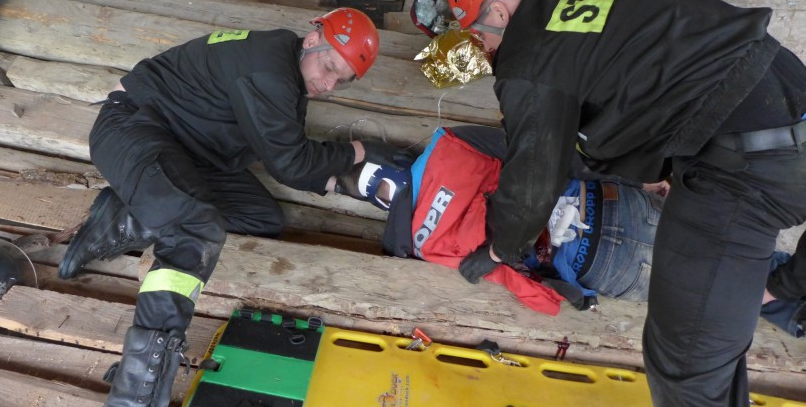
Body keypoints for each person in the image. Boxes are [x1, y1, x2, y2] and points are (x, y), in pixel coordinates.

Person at [443, 0, 806, 406]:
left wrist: (499, 249)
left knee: (686, 362)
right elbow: (639, 72)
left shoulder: (527, 57)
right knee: (728, 316)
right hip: (783, 87)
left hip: (742, 163)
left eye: (480, 36)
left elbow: (534, 181)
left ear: (496, 13)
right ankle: (786, 290)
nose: (486, 48)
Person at [58, 9, 405, 407]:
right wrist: (360, 150)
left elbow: (288, 156)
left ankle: (122, 219)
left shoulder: (286, 70)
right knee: (195, 229)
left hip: (186, 155)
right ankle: (137, 389)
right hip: (134, 129)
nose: (328, 83)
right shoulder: (269, 71)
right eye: (328, 67)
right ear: (313, 40)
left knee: (262, 217)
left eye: (339, 81)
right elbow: (290, 162)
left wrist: (342, 182)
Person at [334, 126, 804, 337]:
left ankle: (788, 307)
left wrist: (572, 297)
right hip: (612, 206)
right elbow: (551, 154)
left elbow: (516, 282)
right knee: (750, 261)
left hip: (602, 266)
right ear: (393, 154)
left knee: (728, 291)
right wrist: (637, 178)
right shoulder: (452, 144)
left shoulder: (413, 245)